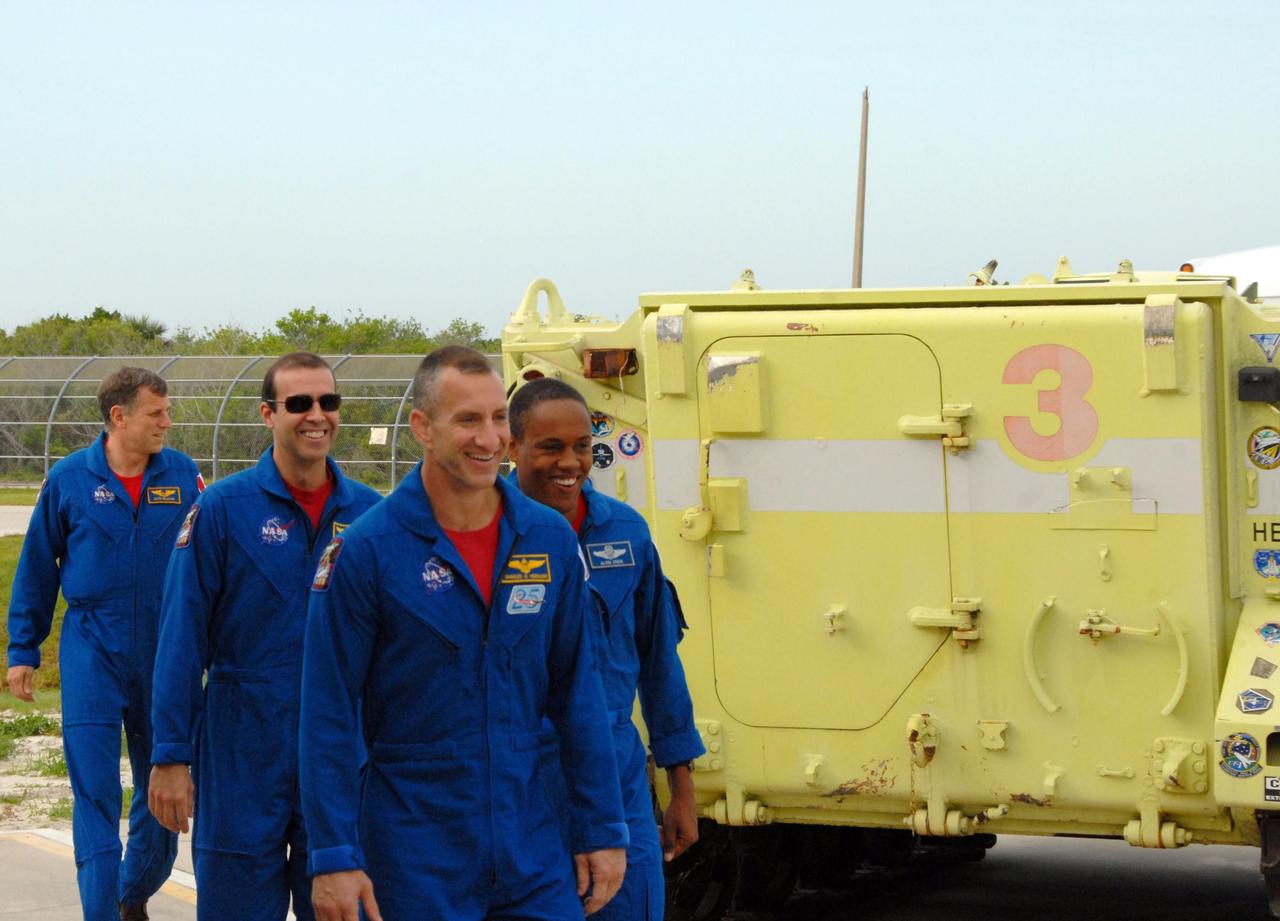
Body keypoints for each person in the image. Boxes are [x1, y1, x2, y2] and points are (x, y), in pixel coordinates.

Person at [299, 346, 628, 921]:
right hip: (414, 854)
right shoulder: (368, 552)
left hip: (531, 846)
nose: (489, 438)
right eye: (468, 420)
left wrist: (602, 826)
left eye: (498, 418)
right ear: (422, 427)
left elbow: (579, 693)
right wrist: (332, 856)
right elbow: (327, 712)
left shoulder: (547, 540)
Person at [147, 352, 381, 921]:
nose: (316, 415)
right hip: (241, 749)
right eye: (299, 403)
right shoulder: (222, 511)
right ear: (267, 414)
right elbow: (181, 637)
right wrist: (171, 754)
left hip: (342, 755)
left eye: (328, 402)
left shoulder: (374, 517)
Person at [5, 366, 203, 921]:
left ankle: (130, 894)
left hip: (167, 654)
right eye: (156, 412)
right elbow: (37, 567)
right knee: (93, 796)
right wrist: (23, 649)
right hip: (92, 648)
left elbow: (210, 565)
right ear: (120, 417)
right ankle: (101, 913)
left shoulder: (185, 477)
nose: (168, 421)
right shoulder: (69, 480)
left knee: (163, 792)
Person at [509, 377, 704, 920]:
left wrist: (680, 788)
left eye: (580, 446)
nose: (569, 462)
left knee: (633, 904)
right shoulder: (487, 532)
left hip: (617, 772)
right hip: (521, 777)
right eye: (550, 447)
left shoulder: (626, 530)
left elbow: (659, 662)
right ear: (512, 447)